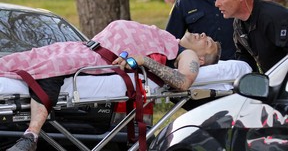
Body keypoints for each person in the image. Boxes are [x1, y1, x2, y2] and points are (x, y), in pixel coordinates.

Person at [6, 20, 221, 151]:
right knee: (24, 59)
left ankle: (31, 135)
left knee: (51, 67)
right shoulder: (170, 40)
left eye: (208, 42)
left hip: (97, 58)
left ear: (201, 60)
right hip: (85, 48)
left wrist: (144, 60)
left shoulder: (189, 55)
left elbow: (183, 82)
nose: (203, 35)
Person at [214, 0, 288, 73]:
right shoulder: (238, 24)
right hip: (271, 84)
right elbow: (245, 59)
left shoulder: (274, 17)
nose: (216, 4)